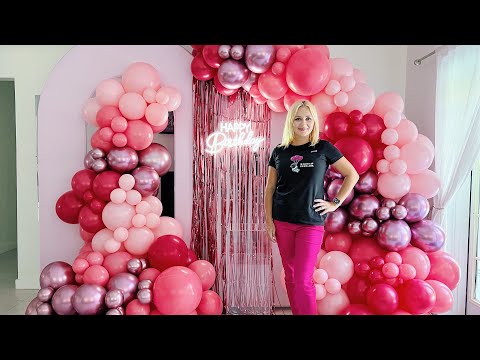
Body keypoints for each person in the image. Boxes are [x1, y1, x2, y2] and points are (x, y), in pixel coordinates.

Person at [264, 100, 359, 315]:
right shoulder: (279, 152)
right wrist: (269, 221)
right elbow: (270, 188)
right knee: (290, 276)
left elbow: (352, 175)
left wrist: (334, 203)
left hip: (310, 223)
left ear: (313, 121)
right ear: (291, 121)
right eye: (298, 118)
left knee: (302, 279)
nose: (303, 123)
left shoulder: (323, 148)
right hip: (282, 221)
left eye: (308, 118)